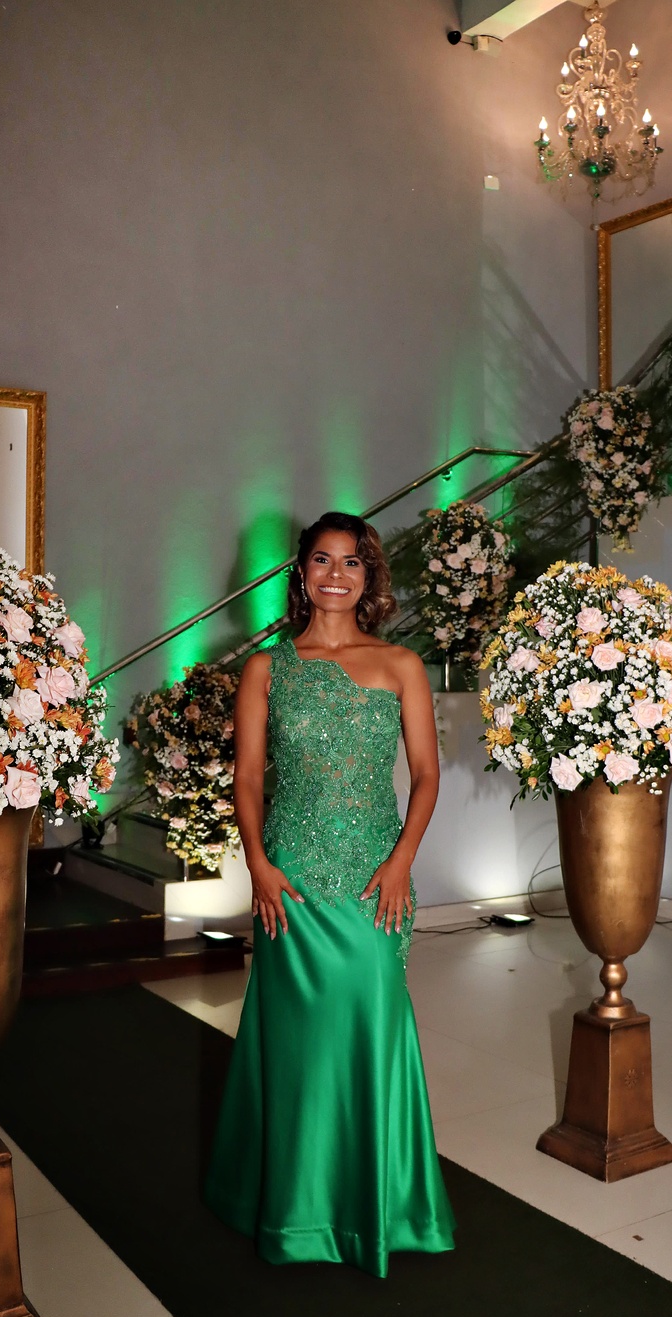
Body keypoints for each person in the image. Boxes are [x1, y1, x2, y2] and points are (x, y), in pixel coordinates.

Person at [204, 511, 455, 1277]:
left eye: (351, 562)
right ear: (302, 572)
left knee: (374, 1023)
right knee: (297, 1043)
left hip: (376, 877)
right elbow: (249, 779)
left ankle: (382, 1205)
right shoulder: (266, 669)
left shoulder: (402, 664)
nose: (336, 574)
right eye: (322, 559)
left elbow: (426, 776)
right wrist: (258, 864)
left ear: (368, 575)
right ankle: (294, 1210)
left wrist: (402, 860)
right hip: (291, 880)